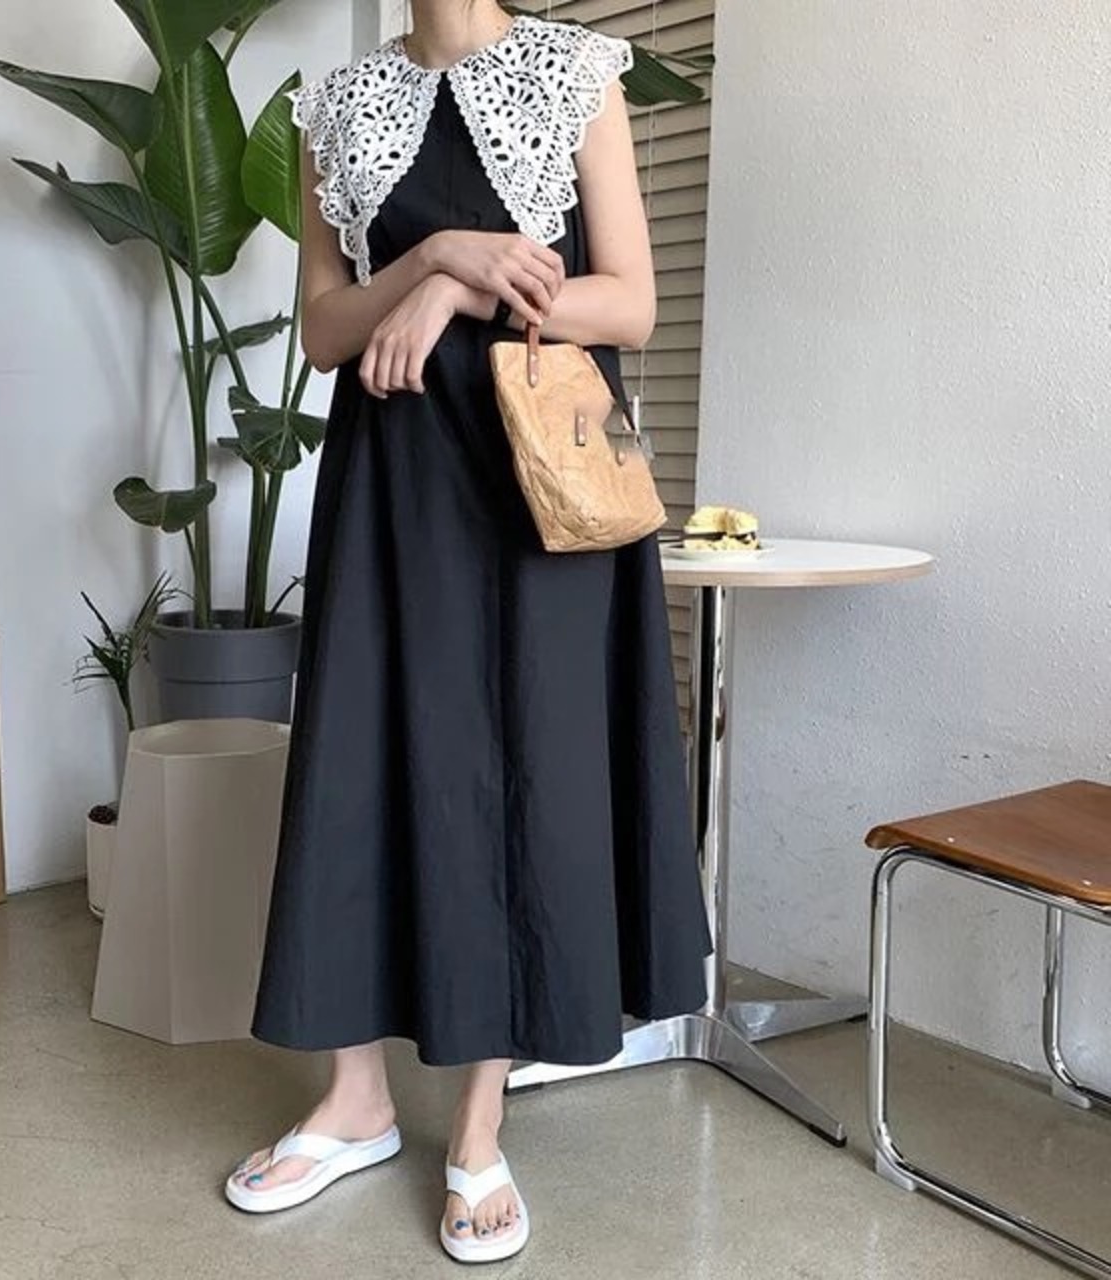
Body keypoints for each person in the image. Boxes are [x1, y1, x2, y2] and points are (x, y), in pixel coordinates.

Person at [225, 0, 713, 1263]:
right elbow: (325, 332)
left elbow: (630, 304)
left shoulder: (575, 70)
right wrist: (433, 256)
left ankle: (478, 1126)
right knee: (357, 763)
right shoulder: (334, 107)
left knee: (511, 777)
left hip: (533, 487)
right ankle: (355, 1098)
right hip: (388, 486)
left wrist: (457, 294)